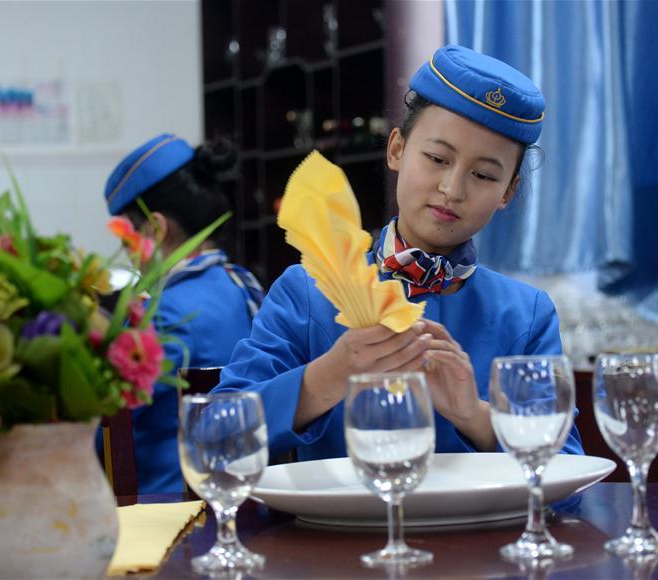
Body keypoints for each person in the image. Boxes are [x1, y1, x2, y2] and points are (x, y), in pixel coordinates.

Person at [217, 45, 583, 459]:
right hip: (334, 526)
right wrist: (329, 376)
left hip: (481, 527)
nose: (453, 188)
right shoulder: (307, 291)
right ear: (396, 149)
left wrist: (474, 415)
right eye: (437, 158)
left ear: (508, 193)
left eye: (483, 174)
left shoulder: (527, 314)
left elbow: (565, 475)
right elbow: (217, 435)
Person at [102, 133, 264, 493]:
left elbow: (107, 432)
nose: (127, 254)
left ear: (156, 229)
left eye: (126, 240)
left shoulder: (163, 314)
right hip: (243, 497)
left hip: (166, 511)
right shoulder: (241, 284)